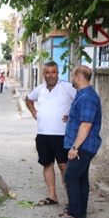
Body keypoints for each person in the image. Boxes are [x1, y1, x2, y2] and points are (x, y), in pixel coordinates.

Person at [53, 65, 102, 218]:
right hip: (83, 145)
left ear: (79, 77)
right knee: (81, 178)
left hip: (83, 146)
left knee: (70, 176)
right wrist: (72, 117)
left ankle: (73, 214)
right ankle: (80, 212)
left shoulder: (87, 97)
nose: (71, 78)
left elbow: (86, 125)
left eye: (72, 75)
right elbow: (83, 119)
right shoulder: (83, 95)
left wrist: (75, 148)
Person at [25, 62, 77, 207]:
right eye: (47, 72)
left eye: (53, 72)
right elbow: (28, 99)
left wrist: (72, 115)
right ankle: (52, 196)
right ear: (43, 74)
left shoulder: (67, 88)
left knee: (63, 166)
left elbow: (80, 101)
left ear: (57, 73)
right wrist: (34, 112)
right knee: (47, 164)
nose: (50, 75)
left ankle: (70, 200)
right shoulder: (40, 89)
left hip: (62, 135)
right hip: (43, 135)